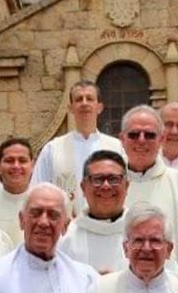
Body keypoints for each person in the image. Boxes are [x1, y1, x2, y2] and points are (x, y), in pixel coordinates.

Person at [119, 104, 178, 279]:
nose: (141, 140)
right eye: (134, 134)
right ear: (122, 139)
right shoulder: (109, 185)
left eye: (150, 135)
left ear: (161, 139)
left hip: (171, 289)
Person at [31, 80, 124, 210]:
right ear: (70, 108)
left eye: (90, 99)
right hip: (66, 227)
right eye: (79, 99)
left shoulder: (116, 148)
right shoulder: (52, 149)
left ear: (99, 107)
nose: (84, 103)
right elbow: (37, 192)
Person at [57, 150, 131, 274]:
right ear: (83, 187)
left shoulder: (144, 233)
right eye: (98, 179)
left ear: (127, 186)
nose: (106, 186)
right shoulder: (66, 239)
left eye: (114, 179)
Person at [0, 137, 34, 243]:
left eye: (22, 160)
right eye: (9, 160)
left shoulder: (46, 205)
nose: (16, 166)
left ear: (32, 165)